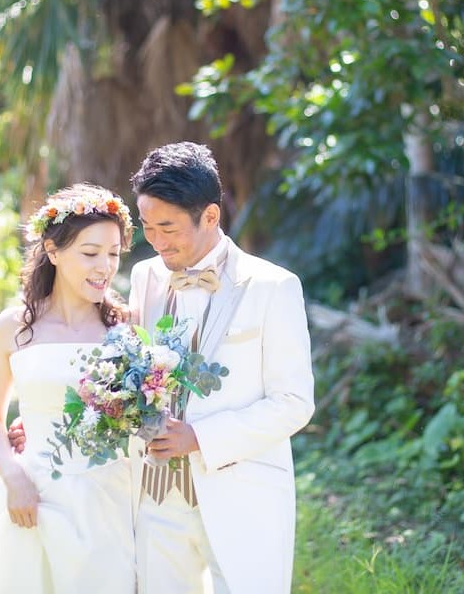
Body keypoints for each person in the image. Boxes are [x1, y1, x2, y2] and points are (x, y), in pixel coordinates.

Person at [0, 183, 137, 594]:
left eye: (113, 254)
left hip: (111, 496)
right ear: (53, 252)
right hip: (37, 491)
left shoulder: (123, 326)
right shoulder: (15, 327)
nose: (104, 266)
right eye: (90, 253)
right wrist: (14, 477)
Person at [128, 142, 315, 594]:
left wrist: (200, 439)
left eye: (168, 227)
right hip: (155, 495)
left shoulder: (274, 286)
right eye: (147, 227)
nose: (156, 241)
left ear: (210, 216)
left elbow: (294, 404)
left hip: (242, 492)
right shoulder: (144, 277)